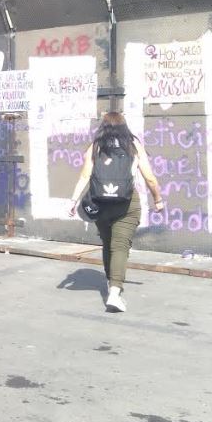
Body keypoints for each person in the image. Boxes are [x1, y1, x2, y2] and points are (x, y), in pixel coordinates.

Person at [68, 112, 164, 313]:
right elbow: (150, 177)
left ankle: (110, 282)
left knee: (108, 244)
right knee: (120, 246)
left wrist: (74, 200)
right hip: (127, 204)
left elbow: (85, 175)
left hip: (100, 203)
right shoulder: (133, 145)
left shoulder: (95, 146)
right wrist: (158, 199)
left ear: (103, 126)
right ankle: (114, 292)